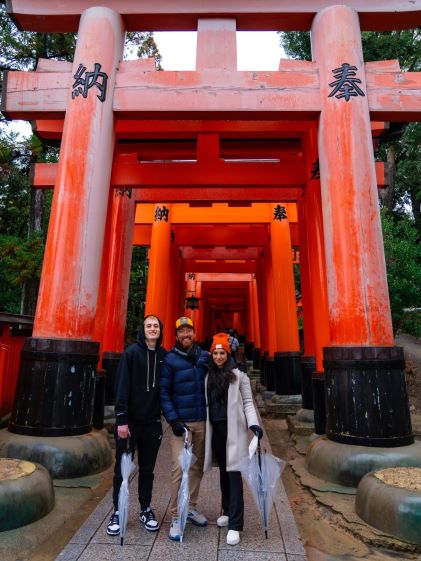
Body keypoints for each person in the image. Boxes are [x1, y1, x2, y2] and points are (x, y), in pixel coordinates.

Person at [107, 314, 167, 536]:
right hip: (130, 423)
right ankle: (117, 510)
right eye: (148, 326)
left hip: (152, 422)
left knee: (148, 470)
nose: (152, 329)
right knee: (121, 469)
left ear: (160, 330)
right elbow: (121, 387)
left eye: (156, 326)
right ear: (143, 330)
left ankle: (145, 508)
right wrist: (121, 419)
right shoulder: (131, 353)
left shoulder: (163, 355)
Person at [203, 332, 263, 546]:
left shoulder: (239, 376)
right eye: (215, 353)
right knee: (223, 472)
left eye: (222, 353)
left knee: (235, 475)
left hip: (234, 430)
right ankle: (227, 511)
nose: (218, 357)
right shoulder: (208, 375)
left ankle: (236, 525)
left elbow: (248, 402)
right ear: (211, 355)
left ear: (228, 355)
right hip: (216, 430)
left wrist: (254, 425)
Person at [159, 316, 210, 541]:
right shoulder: (170, 360)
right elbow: (163, 392)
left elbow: (222, 371)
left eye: (189, 330)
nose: (186, 334)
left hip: (201, 420)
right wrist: (173, 420)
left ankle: (190, 507)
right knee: (179, 469)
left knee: (197, 467)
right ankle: (174, 515)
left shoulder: (205, 357)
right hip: (181, 424)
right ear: (176, 336)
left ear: (194, 333)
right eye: (182, 331)